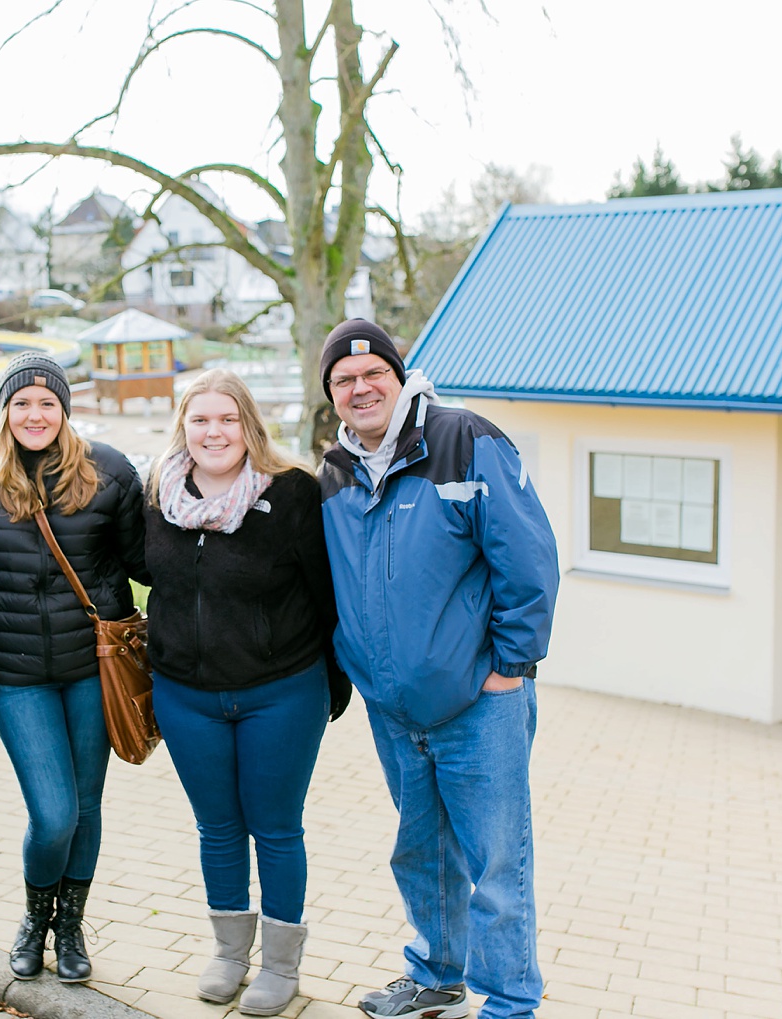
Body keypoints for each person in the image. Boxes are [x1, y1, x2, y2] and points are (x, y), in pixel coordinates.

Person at [315, 320, 560, 1019]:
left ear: (398, 375)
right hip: (393, 708)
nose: (361, 388)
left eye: (373, 375)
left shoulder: (465, 439)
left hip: (481, 702)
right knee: (421, 853)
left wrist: (510, 665)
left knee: (496, 864)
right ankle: (435, 976)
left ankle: (510, 1001)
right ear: (332, 394)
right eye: (344, 380)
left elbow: (529, 559)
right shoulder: (334, 471)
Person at [143, 369, 350, 1016]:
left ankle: (280, 965)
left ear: (249, 425)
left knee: (276, 828)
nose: (214, 431)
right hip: (186, 696)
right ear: (184, 427)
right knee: (219, 828)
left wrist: (331, 685)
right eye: (200, 419)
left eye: (227, 418)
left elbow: (327, 592)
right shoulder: (157, 495)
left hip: (281, 692)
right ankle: (230, 954)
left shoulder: (292, 495)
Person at [0, 351, 149, 983]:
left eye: (47, 402)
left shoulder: (110, 472)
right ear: (4, 411)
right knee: (53, 813)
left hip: (95, 669)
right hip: (19, 673)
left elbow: (148, 561)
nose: (35, 414)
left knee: (86, 808)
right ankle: (36, 916)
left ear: (65, 409)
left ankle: (70, 925)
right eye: (22, 403)